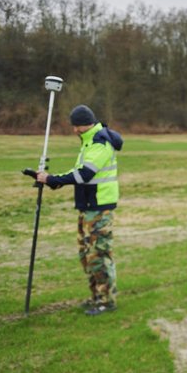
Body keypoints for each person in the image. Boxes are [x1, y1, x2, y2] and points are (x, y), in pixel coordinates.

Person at [37, 104, 123, 316]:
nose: (75, 130)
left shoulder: (100, 142)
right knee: (86, 255)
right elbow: (78, 173)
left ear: (88, 123)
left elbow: (85, 174)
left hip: (99, 207)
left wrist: (53, 179)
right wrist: (55, 181)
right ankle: (96, 297)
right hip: (87, 206)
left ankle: (107, 301)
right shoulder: (88, 141)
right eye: (74, 126)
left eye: (78, 126)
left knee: (98, 254)